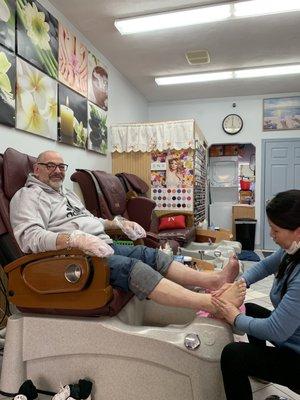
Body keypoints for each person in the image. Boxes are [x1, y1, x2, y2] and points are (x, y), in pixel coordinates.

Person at [10, 150, 246, 315]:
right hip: (69, 260)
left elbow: (89, 221)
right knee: (134, 268)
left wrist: (118, 224)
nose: (58, 171)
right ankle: (211, 303)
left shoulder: (66, 194)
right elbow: (30, 238)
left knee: (148, 254)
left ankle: (213, 280)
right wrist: (75, 239)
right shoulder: (28, 196)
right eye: (51, 166)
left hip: (98, 246)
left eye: (62, 166)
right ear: (36, 169)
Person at [211, 190, 300, 400]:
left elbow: (276, 330)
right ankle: (263, 373)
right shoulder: (293, 250)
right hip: (293, 338)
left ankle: (266, 369)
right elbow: (265, 266)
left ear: (297, 231)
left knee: (233, 355)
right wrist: (239, 283)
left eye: (275, 230)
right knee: (251, 309)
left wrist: (235, 317)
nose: (271, 234)